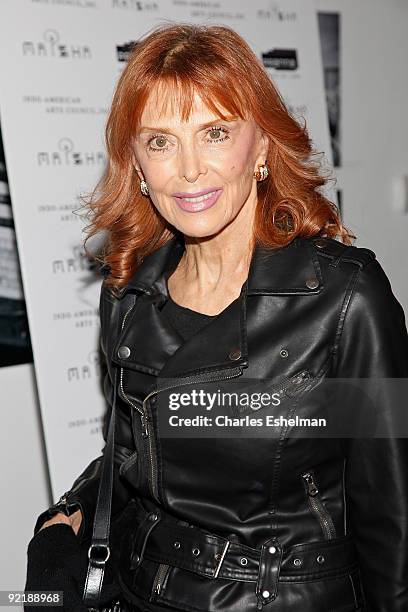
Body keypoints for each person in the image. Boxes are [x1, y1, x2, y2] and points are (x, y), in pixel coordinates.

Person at [25, 22, 408, 612]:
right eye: (160, 142)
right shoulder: (129, 295)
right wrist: (67, 516)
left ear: (261, 146)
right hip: (142, 588)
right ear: (138, 167)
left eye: (215, 132)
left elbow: (393, 524)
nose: (189, 169)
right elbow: (132, 452)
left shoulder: (344, 300)